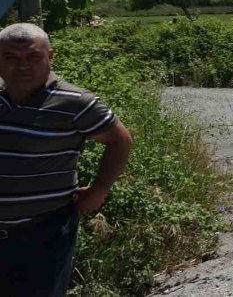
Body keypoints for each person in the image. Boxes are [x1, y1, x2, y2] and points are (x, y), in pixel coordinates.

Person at [0, 23, 133, 296]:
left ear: (50, 57)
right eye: (10, 58)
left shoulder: (75, 102)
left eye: (33, 57)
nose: (22, 66)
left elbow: (119, 140)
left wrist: (99, 191)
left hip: (42, 235)